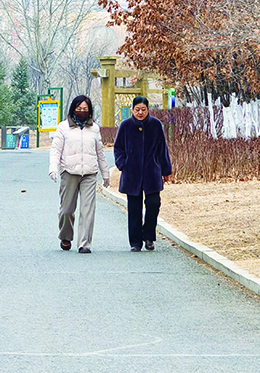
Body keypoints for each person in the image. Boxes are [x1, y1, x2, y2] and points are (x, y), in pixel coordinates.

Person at [49, 95, 110, 254]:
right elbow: (55, 150)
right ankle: (65, 236)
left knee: (87, 209)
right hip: (69, 172)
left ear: (89, 111)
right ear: (73, 109)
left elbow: (100, 153)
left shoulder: (94, 128)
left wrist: (105, 174)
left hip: (89, 173)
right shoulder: (63, 127)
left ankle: (84, 243)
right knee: (67, 209)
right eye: (79, 108)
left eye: (85, 109)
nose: (82, 111)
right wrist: (53, 168)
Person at [113, 96, 172, 252]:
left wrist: (165, 170)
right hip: (131, 173)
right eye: (137, 109)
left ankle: (149, 236)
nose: (140, 113)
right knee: (134, 208)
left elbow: (162, 149)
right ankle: (135, 242)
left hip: (152, 172)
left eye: (143, 109)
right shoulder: (125, 126)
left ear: (148, 110)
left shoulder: (156, 125)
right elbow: (118, 148)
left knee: (154, 203)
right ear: (132, 110)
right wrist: (122, 163)